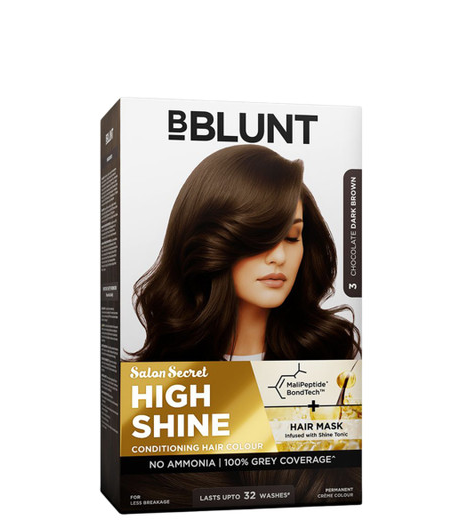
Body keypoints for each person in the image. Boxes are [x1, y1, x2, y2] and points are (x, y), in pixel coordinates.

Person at [131, 144, 359, 362]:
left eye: (292, 237)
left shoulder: (335, 359)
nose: (279, 257)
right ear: (210, 242)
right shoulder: (158, 377)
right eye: (260, 236)